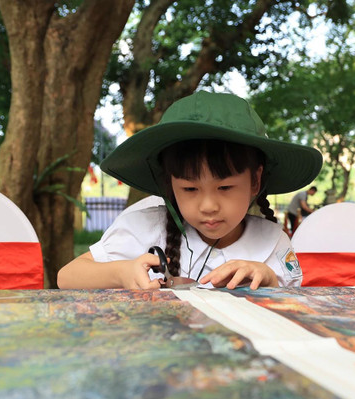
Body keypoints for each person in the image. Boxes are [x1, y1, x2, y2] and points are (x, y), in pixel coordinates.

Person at [57, 91, 322, 290]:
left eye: (225, 187)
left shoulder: (273, 241)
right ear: (170, 184)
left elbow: (293, 305)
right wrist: (121, 273)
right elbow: (66, 277)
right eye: (190, 188)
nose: (208, 205)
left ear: (255, 180)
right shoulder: (143, 227)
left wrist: (269, 283)